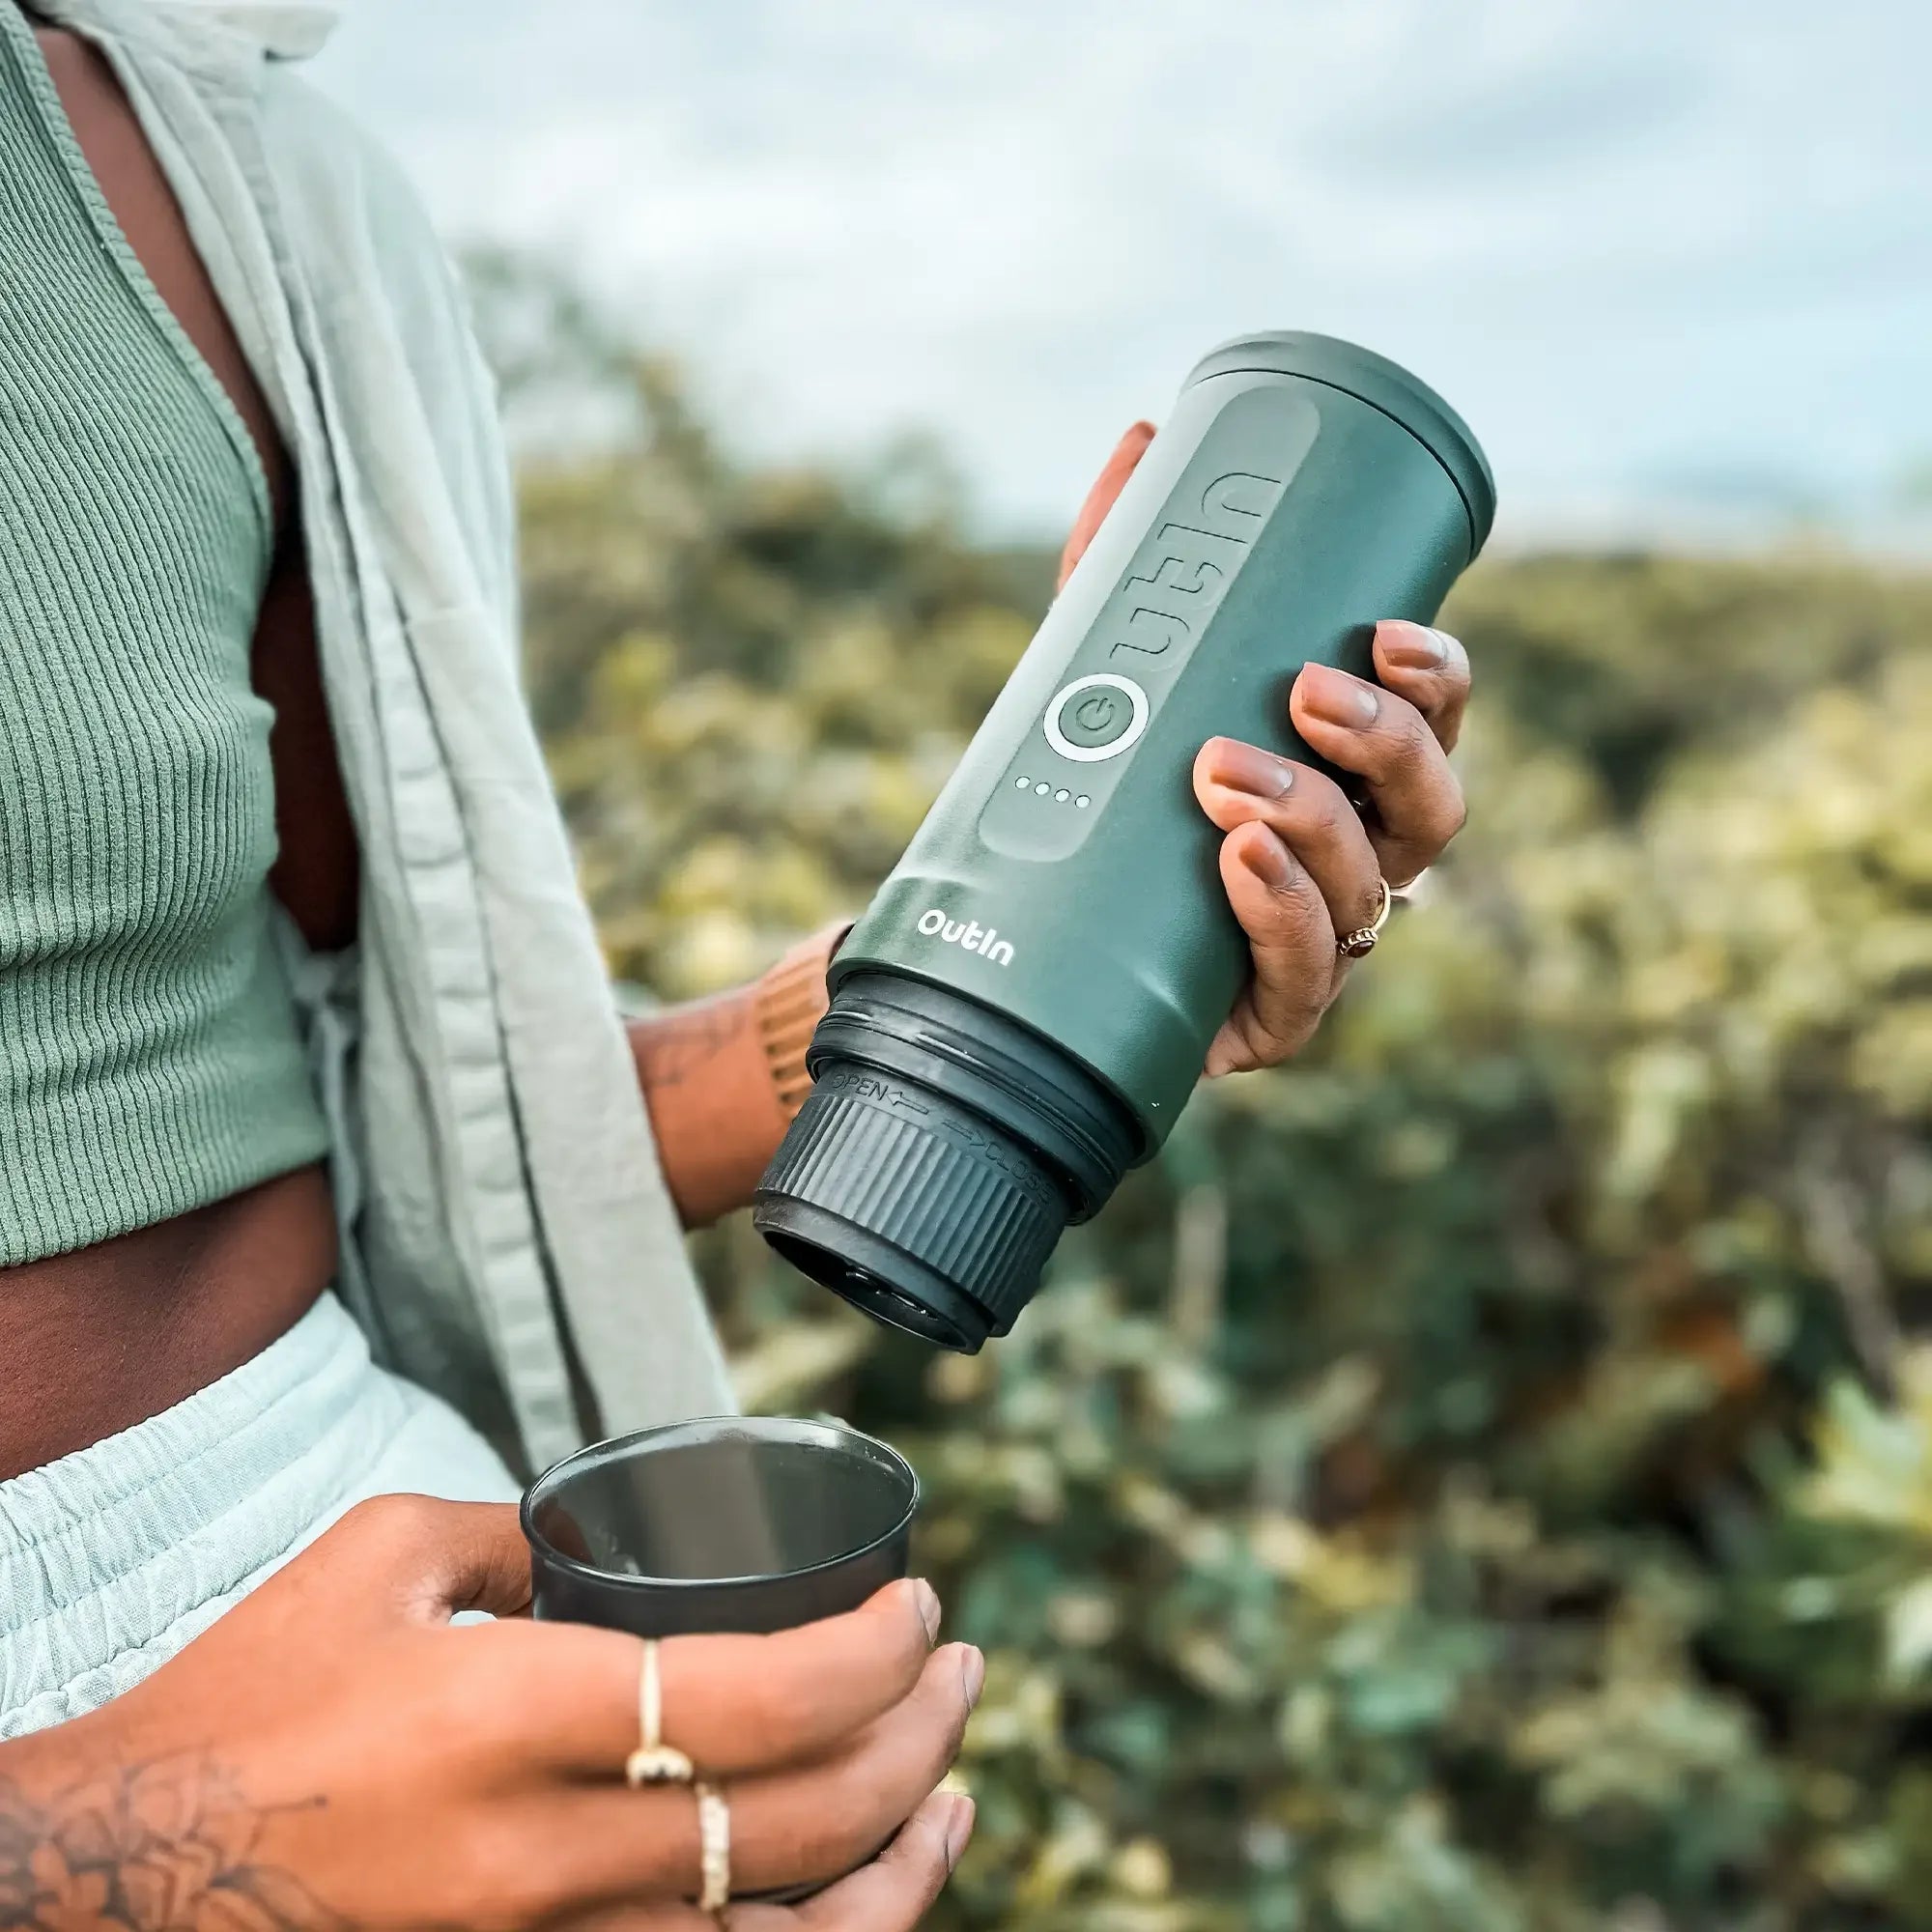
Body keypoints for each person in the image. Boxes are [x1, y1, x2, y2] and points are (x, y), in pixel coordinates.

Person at [0, 0, 1476, 1923]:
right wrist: (97, 1851)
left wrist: (1021, 974)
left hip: (396, 1591)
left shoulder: (192, 170)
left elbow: (399, 1100)